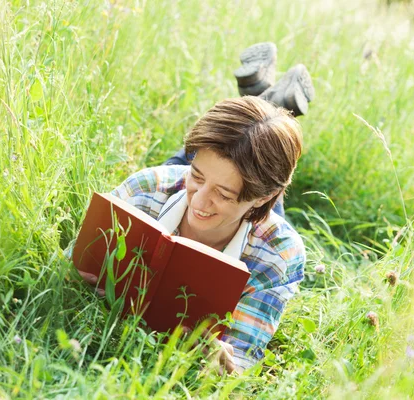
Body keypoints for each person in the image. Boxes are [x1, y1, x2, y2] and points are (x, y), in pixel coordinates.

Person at [77, 43, 315, 374]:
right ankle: (266, 106)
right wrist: (79, 282)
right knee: (225, 160)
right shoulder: (146, 190)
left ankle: (264, 106)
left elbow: (242, 355)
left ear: (260, 199)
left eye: (223, 193)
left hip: (255, 216)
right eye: (197, 176)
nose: (199, 202)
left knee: (261, 169)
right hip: (180, 184)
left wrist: (221, 362)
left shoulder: (280, 253)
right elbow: (66, 270)